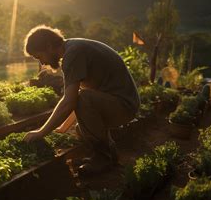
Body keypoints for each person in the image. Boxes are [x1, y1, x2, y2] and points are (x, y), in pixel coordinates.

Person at [23, 25, 140, 175]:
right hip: (122, 103)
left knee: (84, 101)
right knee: (81, 129)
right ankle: (110, 156)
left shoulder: (73, 54)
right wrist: (63, 128)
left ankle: (102, 158)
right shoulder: (74, 47)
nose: (42, 63)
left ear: (49, 46)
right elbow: (80, 98)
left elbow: (72, 100)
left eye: (39, 57)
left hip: (124, 106)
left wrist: (41, 132)